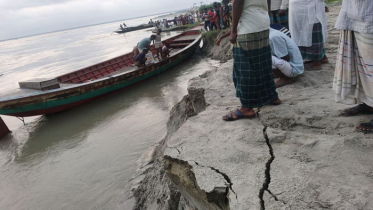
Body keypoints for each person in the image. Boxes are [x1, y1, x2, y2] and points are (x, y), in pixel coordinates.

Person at [222, 0, 280, 121]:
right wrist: (266, 14)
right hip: (263, 23)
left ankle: (246, 108)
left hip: (248, 26)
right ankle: (272, 96)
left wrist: (233, 30)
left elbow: (238, 2)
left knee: (244, 68)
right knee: (263, 62)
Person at [332, 0, 373, 133]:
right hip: (353, 13)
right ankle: (369, 103)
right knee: (362, 66)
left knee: (371, 67)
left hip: (369, 15)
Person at [217, 27, 303, 88]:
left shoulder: (273, 37)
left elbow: (285, 58)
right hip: (289, 65)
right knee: (262, 57)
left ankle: (286, 78)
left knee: (263, 57)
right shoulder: (270, 32)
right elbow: (237, 28)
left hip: (294, 69)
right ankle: (279, 74)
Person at [289, 0, 328, 70]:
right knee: (305, 34)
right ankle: (321, 56)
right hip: (304, 7)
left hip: (308, 7)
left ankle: (315, 62)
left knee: (311, 33)